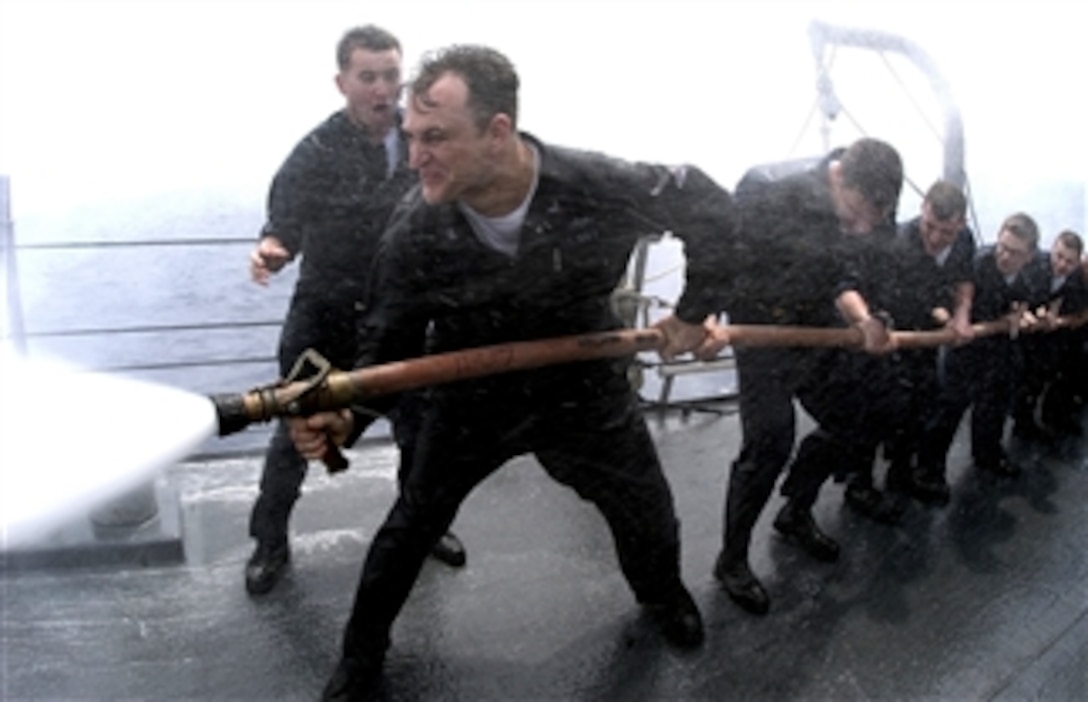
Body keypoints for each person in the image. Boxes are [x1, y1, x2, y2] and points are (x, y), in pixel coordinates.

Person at [288, 44, 737, 699]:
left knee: (644, 506)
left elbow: (708, 205)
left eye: (436, 137)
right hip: (471, 396)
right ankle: (361, 655)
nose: (415, 158)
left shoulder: (597, 187)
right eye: (411, 138)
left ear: (497, 132)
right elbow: (386, 348)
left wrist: (695, 312)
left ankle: (662, 597)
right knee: (413, 521)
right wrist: (344, 417)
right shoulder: (415, 231)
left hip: (580, 384)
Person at [245, 25, 465, 597]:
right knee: (298, 436)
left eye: (391, 75)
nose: (382, 88)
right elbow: (284, 224)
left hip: (400, 319)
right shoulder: (315, 152)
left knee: (420, 431)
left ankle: (424, 527)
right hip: (325, 319)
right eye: (368, 76)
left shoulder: (420, 139)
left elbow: (452, 202)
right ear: (342, 81)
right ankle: (269, 542)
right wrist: (273, 249)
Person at [688, 138, 903, 616]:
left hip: (811, 321)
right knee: (769, 440)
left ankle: (796, 509)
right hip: (759, 324)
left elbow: (841, 274)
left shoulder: (864, 205)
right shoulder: (767, 189)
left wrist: (863, 320)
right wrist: (701, 317)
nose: (864, 227)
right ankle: (732, 560)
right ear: (840, 176)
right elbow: (723, 257)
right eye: (859, 213)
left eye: (875, 218)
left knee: (853, 414)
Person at [842, 180, 977, 520]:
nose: (935, 239)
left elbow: (962, 280)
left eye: (945, 232)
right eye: (930, 227)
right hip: (884, 335)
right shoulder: (896, 243)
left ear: (960, 224)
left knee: (921, 406)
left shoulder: (964, 242)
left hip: (924, 339)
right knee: (874, 411)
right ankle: (859, 485)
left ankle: (901, 474)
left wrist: (960, 316)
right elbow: (878, 295)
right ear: (922, 210)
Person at [913, 213, 1042, 502]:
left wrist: (1018, 312)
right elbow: (945, 298)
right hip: (966, 347)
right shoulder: (978, 265)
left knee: (993, 405)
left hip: (996, 346)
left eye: (1015, 253)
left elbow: (1024, 297)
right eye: (1003, 247)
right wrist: (950, 322)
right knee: (948, 409)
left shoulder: (1030, 274)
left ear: (1029, 256)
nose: (1005, 256)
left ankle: (988, 455)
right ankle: (928, 471)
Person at [1013, 229, 1086, 439]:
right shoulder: (1034, 266)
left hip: (1047, 330)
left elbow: (1074, 310)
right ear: (1052, 250)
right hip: (1021, 324)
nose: (1062, 265)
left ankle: (1043, 415)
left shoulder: (1074, 280)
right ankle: (1021, 416)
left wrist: (1055, 319)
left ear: (1077, 263)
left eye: (1069, 262)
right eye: (1059, 256)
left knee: (1053, 365)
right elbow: (1018, 296)